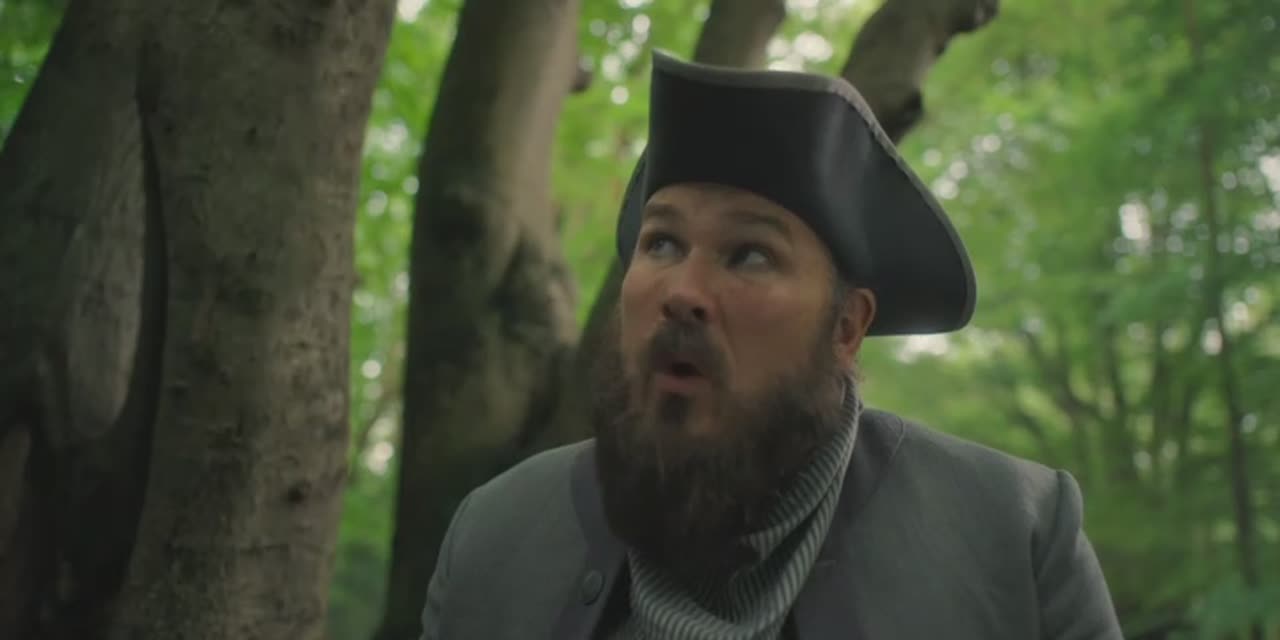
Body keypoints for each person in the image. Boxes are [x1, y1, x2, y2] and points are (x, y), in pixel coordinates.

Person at [417, 49, 1123, 640]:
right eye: (662, 243)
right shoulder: (496, 536)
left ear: (846, 329)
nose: (683, 291)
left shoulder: (1013, 534)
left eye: (749, 254)